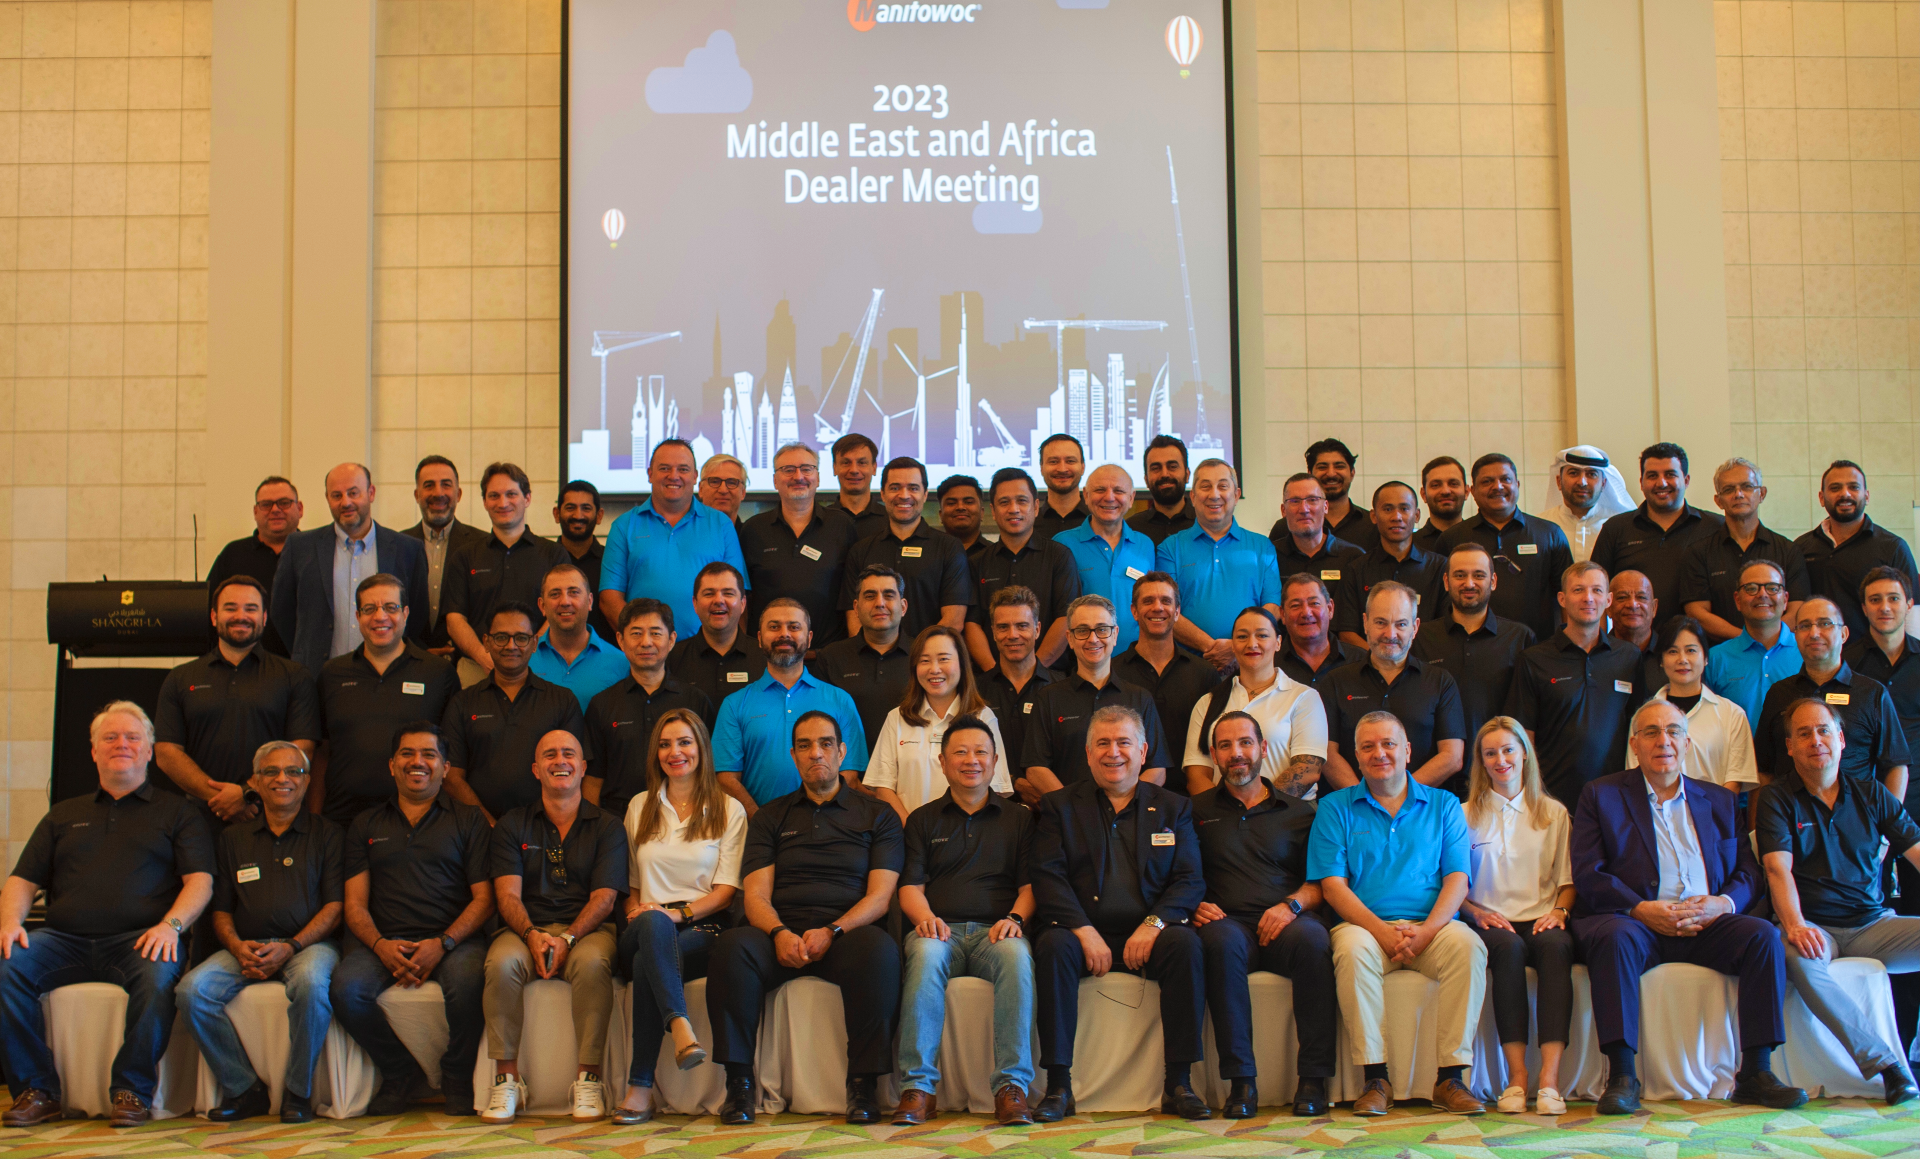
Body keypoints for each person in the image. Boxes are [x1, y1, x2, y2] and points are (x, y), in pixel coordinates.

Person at [1568, 699, 1806, 1114]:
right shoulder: (1600, 794)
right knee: (1614, 937)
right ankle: (1622, 1075)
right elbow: (1589, 873)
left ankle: (1755, 1074)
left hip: (1706, 923)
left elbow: (1749, 872)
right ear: (1634, 745)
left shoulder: (1719, 800)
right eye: (1651, 732)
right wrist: (1640, 908)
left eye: (1673, 731)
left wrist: (1723, 904)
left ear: (1687, 743)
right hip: (1638, 923)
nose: (1664, 741)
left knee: (1763, 936)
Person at [0, 702, 213, 1128]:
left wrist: (171, 927)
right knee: (5, 965)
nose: (122, 744)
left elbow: (200, 882)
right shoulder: (63, 814)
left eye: (133, 737)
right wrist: (9, 924)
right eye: (110, 738)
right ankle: (36, 1091)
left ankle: (131, 1092)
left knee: (158, 976)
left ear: (149, 751)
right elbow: (22, 880)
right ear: (94, 751)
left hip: (141, 939)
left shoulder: (178, 812)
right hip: (63, 941)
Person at [706, 711, 904, 1125]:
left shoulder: (878, 815)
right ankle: (739, 1084)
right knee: (732, 947)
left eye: (826, 744)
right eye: (805, 745)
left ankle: (863, 1084)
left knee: (880, 951)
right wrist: (779, 932)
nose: (816, 753)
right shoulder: (770, 816)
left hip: (847, 932)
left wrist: (833, 930)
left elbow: (881, 896)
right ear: (794, 755)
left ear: (842, 752)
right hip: (780, 932)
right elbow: (756, 894)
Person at [1028, 705, 1211, 1121]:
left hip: (1151, 932)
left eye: (1124, 742)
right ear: (1088, 753)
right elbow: (1048, 877)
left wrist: (1153, 925)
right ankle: (1058, 1086)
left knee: (1185, 945)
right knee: (1053, 946)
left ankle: (1179, 1083)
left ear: (1143, 751)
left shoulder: (1174, 807)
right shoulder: (1059, 806)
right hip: (1082, 933)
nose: (1114, 753)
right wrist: (1083, 929)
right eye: (1103, 743)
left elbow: (1189, 880)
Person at [1306, 711, 1487, 1116]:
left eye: (1388, 744)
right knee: (1352, 950)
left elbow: (1458, 880)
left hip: (1432, 927)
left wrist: (1427, 932)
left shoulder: (1444, 805)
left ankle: (1451, 1078)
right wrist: (1382, 932)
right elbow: (1333, 887)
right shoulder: (1334, 808)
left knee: (1469, 946)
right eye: (1368, 747)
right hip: (1364, 928)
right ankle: (1376, 1079)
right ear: (1356, 756)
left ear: (1407, 751)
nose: (1379, 754)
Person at [1758, 698, 1920, 1106]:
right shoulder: (1777, 798)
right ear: (1790, 746)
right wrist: (1795, 924)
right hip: (1814, 926)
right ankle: (1887, 1065)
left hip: (1874, 925)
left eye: (1824, 730)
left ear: (1841, 739)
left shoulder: (1872, 793)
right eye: (1804, 733)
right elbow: (1777, 869)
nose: (1816, 740)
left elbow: (1916, 850)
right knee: (1795, 956)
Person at [331, 723, 494, 1117]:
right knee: (345, 989)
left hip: (454, 941)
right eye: (407, 753)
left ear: (445, 767)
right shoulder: (365, 824)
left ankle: (456, 1076)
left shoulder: (469, 820)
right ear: (391, 765)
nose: (417, 762)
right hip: (384, 941)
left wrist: (443, 943)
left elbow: (485, 899)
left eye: (429, 754)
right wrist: (380, 946)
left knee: (469, 983)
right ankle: (399, 1072)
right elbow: (355, 905)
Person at [178, 742, 342, 1124]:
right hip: (245, 947)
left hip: (309, 946)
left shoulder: (328, 834)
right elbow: (220, 910)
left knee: (311, 985)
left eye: (294, 771)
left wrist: (292, 946)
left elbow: (335, 908)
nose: (283, 779)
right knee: (191, 992)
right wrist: (237, 946)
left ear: (306, 780)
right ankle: (243, 1088)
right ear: (254, 781)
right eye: (271, 771)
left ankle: (298, 1093)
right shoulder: (232, 839)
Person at [892, 715, 1038, 1126]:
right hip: (940, 931)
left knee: (1016, 957)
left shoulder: (1020, 818)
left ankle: (1012, 1088)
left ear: (995, 762)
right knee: (924, 955)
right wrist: (926, 919)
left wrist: (1015, 918)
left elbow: (1031, 886)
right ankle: (918, 1088)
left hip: (997, 932)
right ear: (942, 762)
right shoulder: (922, 819)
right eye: (960, 752)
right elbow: (910, 887)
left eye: (980, 752)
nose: (971, 760)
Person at [1189, 711, 1335, 1116]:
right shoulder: (1193, 812)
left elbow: (1321, 883)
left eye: (1245, 743)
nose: (1236, 753)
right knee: (1219, 942)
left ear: (1263, 749)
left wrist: (1290, 907)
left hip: (1287, 922)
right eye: (1225, 745)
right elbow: (1179, 874)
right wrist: (1192, 902)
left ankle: (1314, 1079)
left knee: (1315, 939)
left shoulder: (1301, 812)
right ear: (1214, 755)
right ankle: (1241, 1083)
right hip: (1228, 923)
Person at [480, 729, 626, 1124]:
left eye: (568, 754)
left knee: (593, 965)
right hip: (524, 928)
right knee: (501, 964)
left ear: (583, 767)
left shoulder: (608, 826)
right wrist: (531, 935)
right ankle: (507, 1081)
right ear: (535, 769)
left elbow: (604, 899)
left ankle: (589, 1079)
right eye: (550, 755)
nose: (560, 761)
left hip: (589, 931)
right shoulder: (512, 824)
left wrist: (568, 938)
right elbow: (507, 897)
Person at [613, 711, 745, 1123]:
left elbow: (725, 892)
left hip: (703, 927)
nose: (675, 752)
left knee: (647, 960)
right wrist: (643, 914)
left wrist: (677, 914)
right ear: (656, 753)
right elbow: (632, 886)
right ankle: (680, 1026)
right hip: (643, 923)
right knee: (651, 928)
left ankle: (639, 1089)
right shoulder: (640, 805)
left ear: (701, 748)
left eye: (685, 742)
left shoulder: (729, 809)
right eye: (665, 744)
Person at [1456, 720, 1574, 1116]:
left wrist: (1558, 912)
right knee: (1507, 950)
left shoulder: (1553, 813)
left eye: (1508, 750)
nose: (1500, 760)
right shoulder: (1463, 815)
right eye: (1490, 753)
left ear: (1525, 753)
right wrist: (1475, 912)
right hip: (1487, 920)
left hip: (1541, 917)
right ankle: (1517, 1077)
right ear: (1481, 761)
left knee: (1557, 947)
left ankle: (1550, 1082)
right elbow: (1452, 884)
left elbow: (1567, 881)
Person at [154, 574, 320, 823]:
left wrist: (246, 793)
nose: (241, 616)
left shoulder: (294, 676)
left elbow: (302, 749)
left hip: (273, 819)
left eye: (251, 609)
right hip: (199, 819)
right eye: (230, 608)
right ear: (214, 616)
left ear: (264, 617)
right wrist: (221, 798)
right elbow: (167, 753)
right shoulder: (180, 678)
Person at [313, 573, 461, 827]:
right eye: (369, 609)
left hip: (419, 822)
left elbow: (453, 755)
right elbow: (321, 754)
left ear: (405, 613)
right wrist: (315, 820)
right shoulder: (332, 673)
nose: (380, 616)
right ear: (358, 616)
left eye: (391, 607)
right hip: (342, 820)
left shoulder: (438, 673)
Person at [1506, 562, 1644, 808]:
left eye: (1597, 590)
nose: (1588, 598)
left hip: (1616, 798)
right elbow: (1523, 736)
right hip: (1551, 800)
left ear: (1608, 600)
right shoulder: (1534, 660)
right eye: (1578, 590)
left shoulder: (1629, 658)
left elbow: (1639, 727)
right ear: (1562, 598)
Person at [272, 462, 431, 674]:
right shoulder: (299, 547)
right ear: (327, 498)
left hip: (388, 675)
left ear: (371, 493)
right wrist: (305, 650)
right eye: (336, 495)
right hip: (317, 677)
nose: (346, 502)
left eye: (353, 493)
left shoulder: (407, 549)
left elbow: (417, 616)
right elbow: (281, 612)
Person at [713, 598, 869, 810]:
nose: (784, 634)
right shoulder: (734, 705)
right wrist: (760, 821)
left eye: (794, 627)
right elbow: (726, 779)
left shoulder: (840, 700)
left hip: (828, 824)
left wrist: (821, 820)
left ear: (809, 638)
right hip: (757, 824)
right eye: (774, 627)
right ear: (759, 638)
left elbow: (849, 774)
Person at [441, 602, 588, 821]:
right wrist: (488, 825)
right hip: (477, 829)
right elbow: (452, 778)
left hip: (545, 827)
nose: (511, 646)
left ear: (534, 643)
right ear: (486, 642)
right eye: (501, 637)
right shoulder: (463, 703)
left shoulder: (562, 701)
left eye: (521, 638)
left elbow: (573, 772)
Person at [1753, 597, 1909, 802]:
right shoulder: (1778, 693)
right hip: (1789, 817)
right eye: (1805, 626)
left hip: (1855, 817)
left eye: (1825, 623)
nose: (1814, 633)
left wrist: (1888, 820)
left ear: (1844, 634)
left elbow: (1896, 766)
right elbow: (1763, 770)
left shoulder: (1872, 693)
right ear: (1796, 636)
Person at [1020, 596, 1172, 802]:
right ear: (1070, 638)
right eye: (1082, 630)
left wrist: (1124, 807)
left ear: (1115, 635)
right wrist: (1073, 809)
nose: (1093, 639)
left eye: (1102, 629)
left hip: (1129, 816)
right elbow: (1036, 768)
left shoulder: (1140, 697)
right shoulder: (1048, 698)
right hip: (1068, 817)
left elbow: (1157, 769)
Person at [600, 438, 748, 642]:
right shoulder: (624, 526)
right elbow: (609, 599)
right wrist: (642, 641)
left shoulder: (721, 525)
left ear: (695, 476)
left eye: (683, 469)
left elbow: (737, 595)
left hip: (707, 652)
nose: (674, 476)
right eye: (664, 468)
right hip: (646, 651)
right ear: (650, 474)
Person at [1322, 582, 1467, 792]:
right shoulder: (1335, 682)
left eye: (1401, 624)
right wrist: (1362, 802)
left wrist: (1403, 797)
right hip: (1352, 807)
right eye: (1381, 622)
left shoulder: (1441, 682)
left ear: (1415, 627)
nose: (1390, 634)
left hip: (1421, 806)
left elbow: (1452, 757)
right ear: (1365, 623)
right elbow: (1327, 753)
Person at [584, 598, 715, 824]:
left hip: (685, 820)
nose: (646, 642)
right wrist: (595, 830)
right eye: (636, 633)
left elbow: (710, 771)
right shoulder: (602, 704)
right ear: (620, 640)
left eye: (655, 633)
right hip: (617, 822)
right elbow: (593, 779)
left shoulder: (695, 701)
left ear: (671, 640)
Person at [866, 626, 1013, 820]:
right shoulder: (897, 717)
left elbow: (996, 788)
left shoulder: (982, 717)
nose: (934, 669)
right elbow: (883, 787)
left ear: (962, 664)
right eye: (924, 660)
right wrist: (912, 830)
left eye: (944, 659)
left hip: (968, 833)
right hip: (908, 832)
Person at [443, 462, 571, 683]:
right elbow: (455, 618)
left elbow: (561, 611)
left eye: (511, 494)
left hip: (540, 667)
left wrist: (527, 656)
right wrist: (484, 658)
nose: (503, 503)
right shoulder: (464, 557)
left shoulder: (553, 555)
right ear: (485, 502)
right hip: (478, 669)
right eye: (494, 496)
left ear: (527, 498)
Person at [1183, 607, 1327, 798]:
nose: (1252, 644)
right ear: (1233, 645)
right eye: (1242, 637)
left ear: (1278, 642)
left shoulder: (1304, 697)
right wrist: (1223, 810)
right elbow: (1197, 775)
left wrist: (1262, 807)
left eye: (1262, 635)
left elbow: (1307, 770)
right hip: (1221, 814)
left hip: (1290, 810)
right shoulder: (1208, 702)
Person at [1436, 453, 1574, 641]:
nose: (1498, 487)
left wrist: (1567, 644)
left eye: (1505, 479)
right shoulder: (1452, 538)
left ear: (1517, 485)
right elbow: (1441, 599)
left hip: (1539, 647)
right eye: (1487, 481)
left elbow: (1568, 595)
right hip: (1470, 646)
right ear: (1473, 491)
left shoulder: (1549, 534)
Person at [1160, 459, 1285, 667]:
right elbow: (1165, 610)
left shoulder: (1262, 546)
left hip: (1249, 664)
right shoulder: (1170, 548)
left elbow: (1272, 606)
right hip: (1187, 665)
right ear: (1193, 496)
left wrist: (1237, 648)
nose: (1214, 495)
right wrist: (1213, 648)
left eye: (1223, 486)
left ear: (1236, 495)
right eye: (1205, 486)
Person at [1412, 541, 1537, 747]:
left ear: (1493, 581)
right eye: (1460, 575)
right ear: (1446, 582)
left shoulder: (1520, 638)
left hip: (1498, 761)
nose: (1469, 584)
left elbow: (1529, 715)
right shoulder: (1420, 638)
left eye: (1479, 575)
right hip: (1436, 761)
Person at [1591, 444, 1724, 634]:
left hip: (1699, 646)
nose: (1661, 483)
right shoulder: (1616, 529)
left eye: (1670, 474)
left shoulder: (1715, 528)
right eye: (1652, 476)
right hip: (1630, 646)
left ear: (1686, 480)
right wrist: (1601, 646)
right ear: (1641, 482)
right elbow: (1597, 592)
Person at [838, 457, 972, 642]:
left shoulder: (949, 547)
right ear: (883, 494)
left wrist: (919, 653)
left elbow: (953, 620)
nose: (904, 495)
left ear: (925, 494)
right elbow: (854, 618)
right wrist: (878, 652)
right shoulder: (861, 550)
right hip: (873, 657)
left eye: (913, 488)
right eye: (895, 488)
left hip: (929, 657)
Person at [739, 442, 857, 647]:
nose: (798, 476)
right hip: (768, 653)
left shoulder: (841, 525)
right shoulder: (753, 529)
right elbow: (743, 597)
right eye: (788, 470)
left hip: (828, 654)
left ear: (818, 478)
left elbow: (852, 594)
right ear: (775, 480)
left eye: (806, 469)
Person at [1112, 572, 1223, 787]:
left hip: (1192, 793)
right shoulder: (1112, 672)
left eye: (1166, 601)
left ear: (1177, 611)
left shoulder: (1204, 673)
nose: (1158, 607)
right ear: (1134, 611)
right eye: (1148, 601)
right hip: (1129, 794)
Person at [1682, 457, 1810, 642]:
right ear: (1718, 501)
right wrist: (1744, 642)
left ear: (1762, 494)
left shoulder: (1788, 550)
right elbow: (1697, 612)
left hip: (1778, 652)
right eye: (1729, 489)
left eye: (1747, 486)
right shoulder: (1698, 553)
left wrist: (1766, 640)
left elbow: (1798, 609)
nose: (1738, 494)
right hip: (1721, 654)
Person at [964, 467, 1080, 670]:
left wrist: (1033, 673)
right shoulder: (977, 563)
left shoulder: (1059, 556)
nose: (1014, 509)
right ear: (993, 511)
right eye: (1004, 502)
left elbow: (1066, 618)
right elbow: (972, 624)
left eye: (1022, 501)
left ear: (1035, 507)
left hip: (1050, 676)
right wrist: (995, 674)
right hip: (991, 679)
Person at [1625, 615, 1758, 790]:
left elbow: (1734, 782)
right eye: (1672, 651)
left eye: (1691, 650)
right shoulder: (1643, 717)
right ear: (1661, 661)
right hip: (1654, 808)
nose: (1682, 659)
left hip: (1714, 808)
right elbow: (1636, 777)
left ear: (1706, 658)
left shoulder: (1732, 714)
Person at [1795, 460, 1920, 642]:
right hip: (1815, 653)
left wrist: (1911, 657)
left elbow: (1912, 611)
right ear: (1821, 498)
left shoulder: (1893, 547)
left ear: (1866, 496)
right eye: (1835, 488)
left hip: (1875, 657)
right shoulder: (1801, 548)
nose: (1845, 494)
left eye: (1853, 487)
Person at [1056, 464, 1158, 654]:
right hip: (1083, 657)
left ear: (1131, 498)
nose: (1109, 497)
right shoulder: (1063, 544)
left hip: (1137, 658)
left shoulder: (1145, 545)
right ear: (1086, 495)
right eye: (1100, 490)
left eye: (1119, 491)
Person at [814, 565, 914, 751]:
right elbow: (820, 724)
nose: (880, 603)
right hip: (849, 766)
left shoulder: (924, 655)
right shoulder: (831, 657)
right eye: (870, 596)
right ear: (856, 607)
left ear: (903, 607)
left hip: (911, 765)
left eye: (889, 595)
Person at [1334, 480, 1445, 647]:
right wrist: (1381, 658)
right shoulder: (1356, 570)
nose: (1396, 517)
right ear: (1373, 516)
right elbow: (1347, 633)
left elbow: (1446, 629)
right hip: (1370, 660)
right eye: (1387, 509)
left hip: (1426, 661)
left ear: (1417, 515)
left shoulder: (1439, 567)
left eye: (1404, 509)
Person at [207, 475, 304, 657]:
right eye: (266, 504)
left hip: (305, 664)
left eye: (284, 503)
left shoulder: (314, 552)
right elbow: (209, 612)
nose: (275, 510)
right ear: (255, 511)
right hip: (244, 664)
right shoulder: (233, 554)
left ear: (300, 509)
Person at [404, 456, 488, 658]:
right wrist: (418, 650)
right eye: (429, 485)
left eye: (446, 485)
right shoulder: (398, 545)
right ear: (417, 495)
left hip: (467, 660)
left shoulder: (483, 545)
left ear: (458, 494)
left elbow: (485, 608)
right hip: (410, 659)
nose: (438, 493)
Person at [1704, 559, 1803, 726]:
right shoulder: (1715, 659)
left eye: (1772, 588)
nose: (1762, 594)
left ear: (1785, 599)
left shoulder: (1806, 652)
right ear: (1737, 600)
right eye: (1751, 588)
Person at [977, 585, 1059, 770]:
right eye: (1003, 627)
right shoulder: (975, 691)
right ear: (993, 632)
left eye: (1022, 626)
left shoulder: (1062, 688)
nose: (1012, 635)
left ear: (1037, 629)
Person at [529, 561, 628, 710]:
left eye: (574, 592)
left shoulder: (621, 663)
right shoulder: (525, 659)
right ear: (542, 606)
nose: (565, 601)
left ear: (589, 601)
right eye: (555, 594)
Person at [666, 562, 765, 709]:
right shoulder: (672, 659)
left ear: (743, 604)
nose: (718, 600)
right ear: (695, 603)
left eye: (728, 593)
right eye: (709, 594)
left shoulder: (765, 657)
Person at [1265, 473, 1365, 599]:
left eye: (1312, 500)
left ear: (1325, 506)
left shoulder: (1353, 558)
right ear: (1283, 510)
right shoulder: (1269, 557)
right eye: (1295, 501)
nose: (1304, 509)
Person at [1541, 445, 1634, 563]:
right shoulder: (1541, 526)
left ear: (1603, 483)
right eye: (1573, 473)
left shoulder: (1620, 527)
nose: (1582, 482)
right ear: (1559, 481)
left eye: (1592, 474)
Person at [1277, 572, 1367, 689]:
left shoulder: (1361, 661)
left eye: (1314, 603)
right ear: (1283, 614)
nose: (1306, 613)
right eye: (1295, 605)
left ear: (1330, 609)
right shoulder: (1268, 663)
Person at [553, 479, 616, 641]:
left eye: (586, 508)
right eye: (570, 508)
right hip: (552, 654)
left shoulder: (613, 561)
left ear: (599, 515)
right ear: (557, 514)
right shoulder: (545, 560)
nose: (578, 515)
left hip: (606, 654)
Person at [1305, 436, 1377, 549]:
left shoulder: (1374, 525)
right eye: (1322, 467)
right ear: (1310, 475)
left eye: (1339, 466)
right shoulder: (1291, 526)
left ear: (1352, 473)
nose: (1331, 474)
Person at [1129, 434, 1195, 545]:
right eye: (1156, 468)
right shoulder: (1130, 530)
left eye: (1172, 467)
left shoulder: (1205, 524)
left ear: (1187, 475)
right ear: (1146, 480)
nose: (1164, 474)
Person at [1607, 569, 1666, 692]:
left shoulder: (1670, 654)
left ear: (1654, 608)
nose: (1632, 604)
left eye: (1641, 597)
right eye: (1622, 597)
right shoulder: (1596, 657)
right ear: (1608, 607)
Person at [821, 432, 887, 539]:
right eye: (846, 463)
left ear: (874, 468)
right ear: (834, 468)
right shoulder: (819, 522)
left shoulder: (891, 521)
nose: (854, 470)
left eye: (862, 463)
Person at [1034, 434, 1089, 542]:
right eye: (1053, 461)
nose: (1062, 469)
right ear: (1041, 468)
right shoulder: (1028, 525)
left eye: (1070, 461)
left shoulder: (1099, 521)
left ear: (1083, 467)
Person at [1415, 455, 1469, 551]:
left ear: (1466, 492)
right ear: (1423, 494)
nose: (1445, 491)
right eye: (1436, 485)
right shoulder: (1410, 546)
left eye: (1453, 484)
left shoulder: (1482, 541)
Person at [936, 474, 985, 553]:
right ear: (941, 514)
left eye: (969, 502)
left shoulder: (997, 556)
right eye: (951, 503)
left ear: (982, 512)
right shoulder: (928, 553)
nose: (960, 507)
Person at [697, 453, 747, 523]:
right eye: (715, 482)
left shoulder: (751, 530)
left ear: (743, 492)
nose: (723, 490)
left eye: (731, 483)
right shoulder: (684, 529)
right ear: (701, 489)